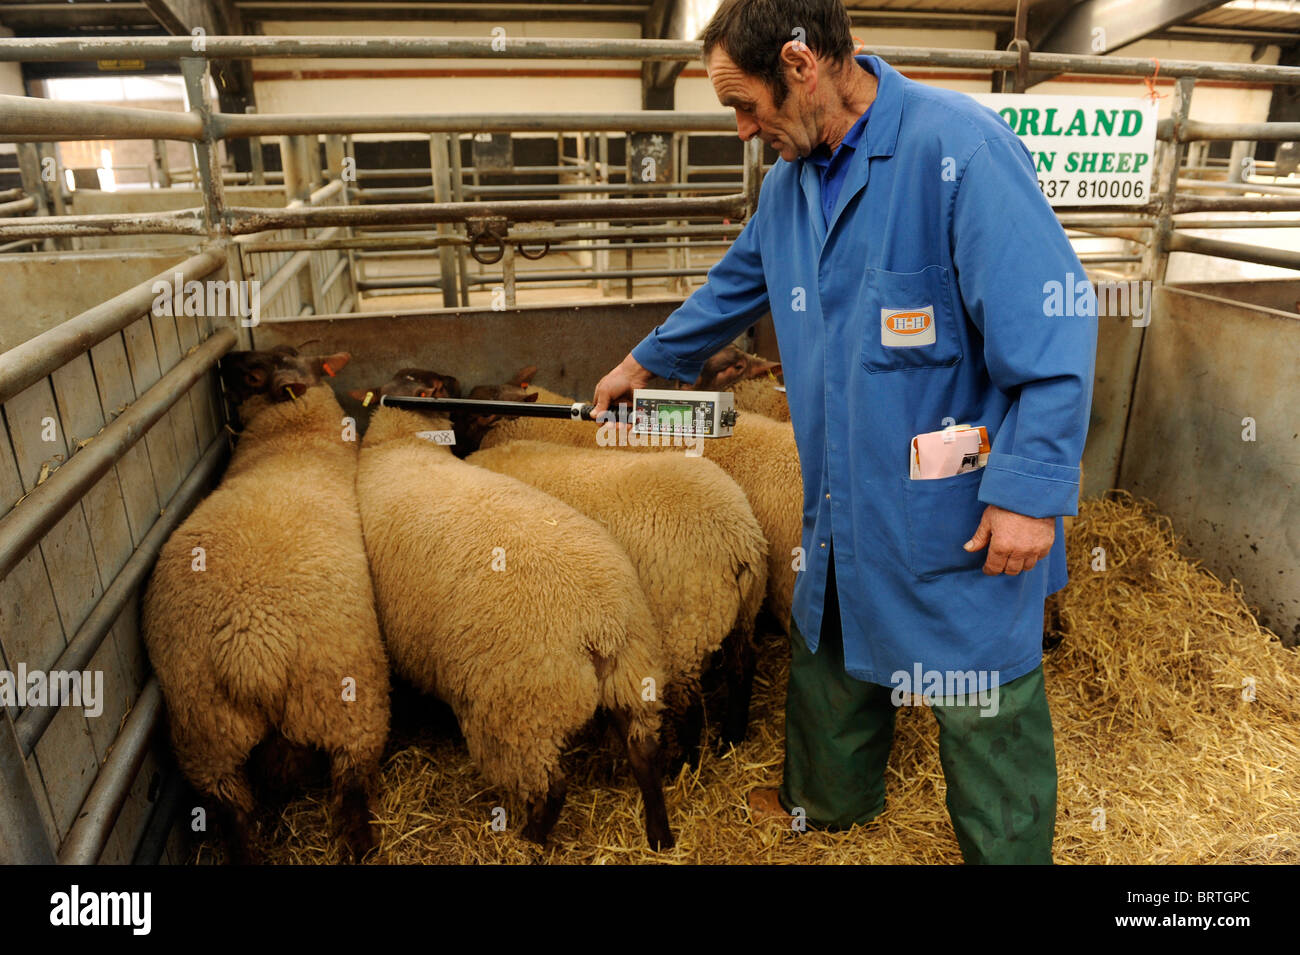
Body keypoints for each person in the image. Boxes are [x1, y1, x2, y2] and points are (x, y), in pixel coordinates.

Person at [591, 0, 1097, 865]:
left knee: (981, 687)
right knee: (828, 645)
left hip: (957, 501)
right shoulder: (789, 184)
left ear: (799, 63)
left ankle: (1009, 852)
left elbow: (1053, 332)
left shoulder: (959, 152)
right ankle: (826, 804)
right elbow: (735, 282)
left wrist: (1029, 491)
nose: (746, 131)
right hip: (840, 486)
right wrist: (644, 362)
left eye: (744, 105)